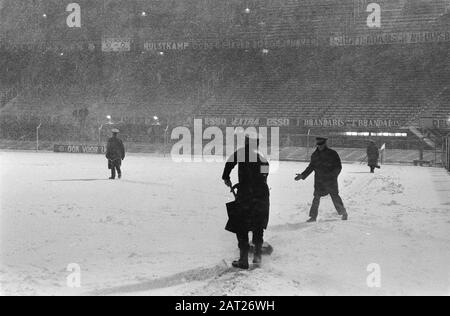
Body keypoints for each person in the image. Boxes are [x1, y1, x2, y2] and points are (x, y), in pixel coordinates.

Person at [222, 135, 270, 269]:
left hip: (246, 195)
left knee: (241, 225)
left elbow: (229, 163)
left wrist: (226, 177)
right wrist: (258, 183)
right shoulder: (261, 157)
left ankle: (243, 259)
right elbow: (265, 174)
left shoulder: (242, 153)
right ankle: (257, 256)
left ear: (247, 143)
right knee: (258, 224)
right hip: (261, 194)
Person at [295, 137, 348, 222]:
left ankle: (343, 213)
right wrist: (302, 175)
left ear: (325, 144)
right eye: (318, 144)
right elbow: (311, 167)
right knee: (316, 198)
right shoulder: (315, 155)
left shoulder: (332, 153)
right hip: (319, 181)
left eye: (321, 144)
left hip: (330, 181)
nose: (319, 146)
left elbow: (338, 167)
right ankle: (313, 217)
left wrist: (332, 176)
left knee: (335, 197)